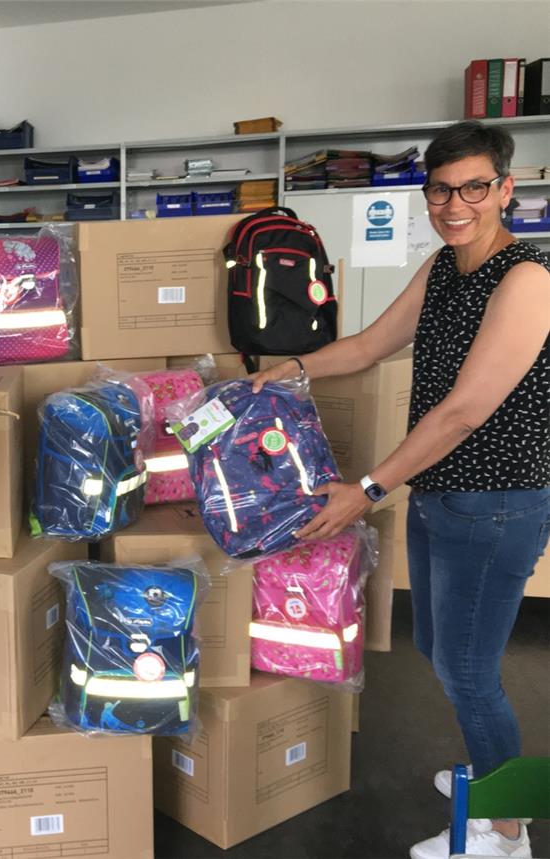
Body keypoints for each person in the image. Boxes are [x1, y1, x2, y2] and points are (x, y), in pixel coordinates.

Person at [253, 120, 549, 859]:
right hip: (443, 492)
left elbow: (465, 409)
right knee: (439, 647)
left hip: (497, 500)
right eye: (442, 189)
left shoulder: (528, 279)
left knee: (469, 669)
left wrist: (368, 488)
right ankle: (489, 769)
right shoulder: (442, 267)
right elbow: (367, 345)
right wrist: (289, 370)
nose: (456, 204)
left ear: (505, 189)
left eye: (474, 187)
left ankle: (510, 826)